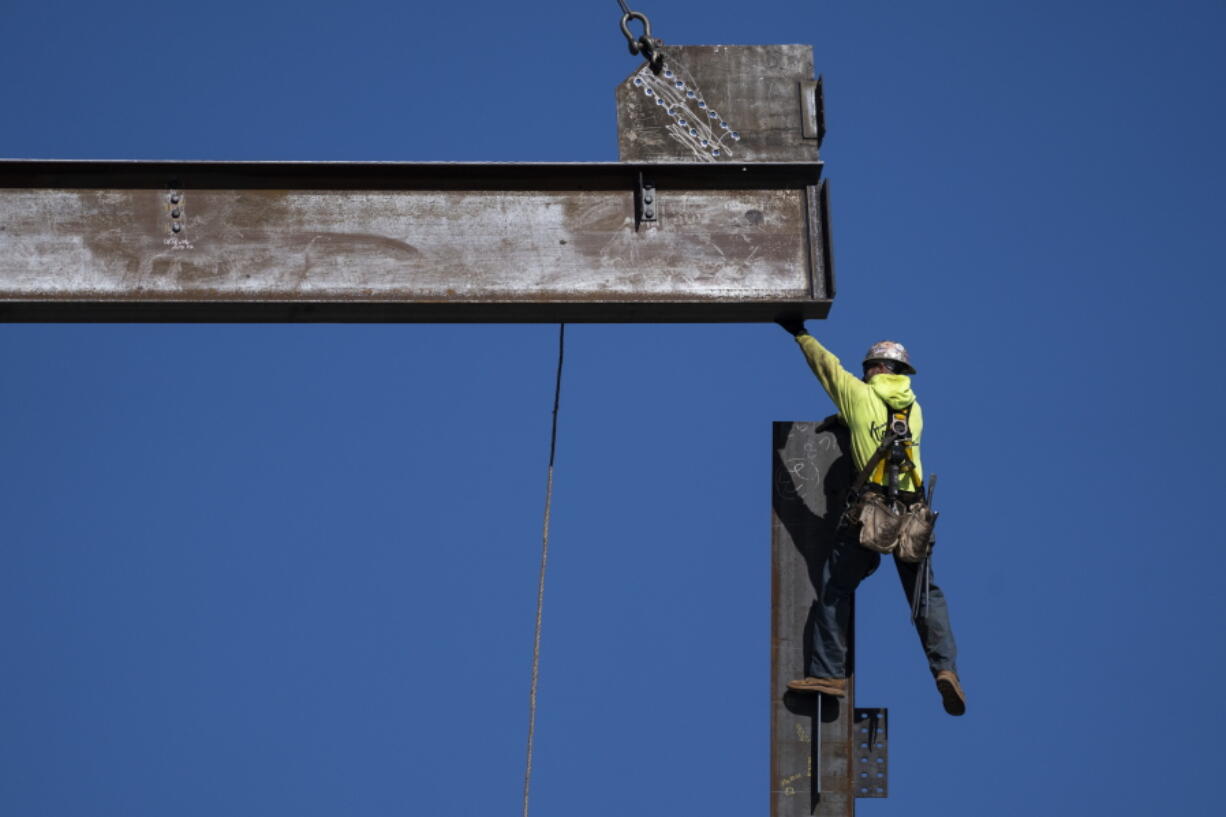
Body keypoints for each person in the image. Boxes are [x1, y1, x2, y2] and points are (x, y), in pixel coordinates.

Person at [777, 318, 966, 716]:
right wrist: (845, 421)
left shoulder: (858, 396)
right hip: (913, 515)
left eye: (868, 368)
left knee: (834, 588)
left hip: (872, 514)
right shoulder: (914, 411)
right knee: (925, 596)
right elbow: (882, 425)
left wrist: (799, 332)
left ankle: (828, 675)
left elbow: (826, 366)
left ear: (877, 369)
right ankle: (945, 670)